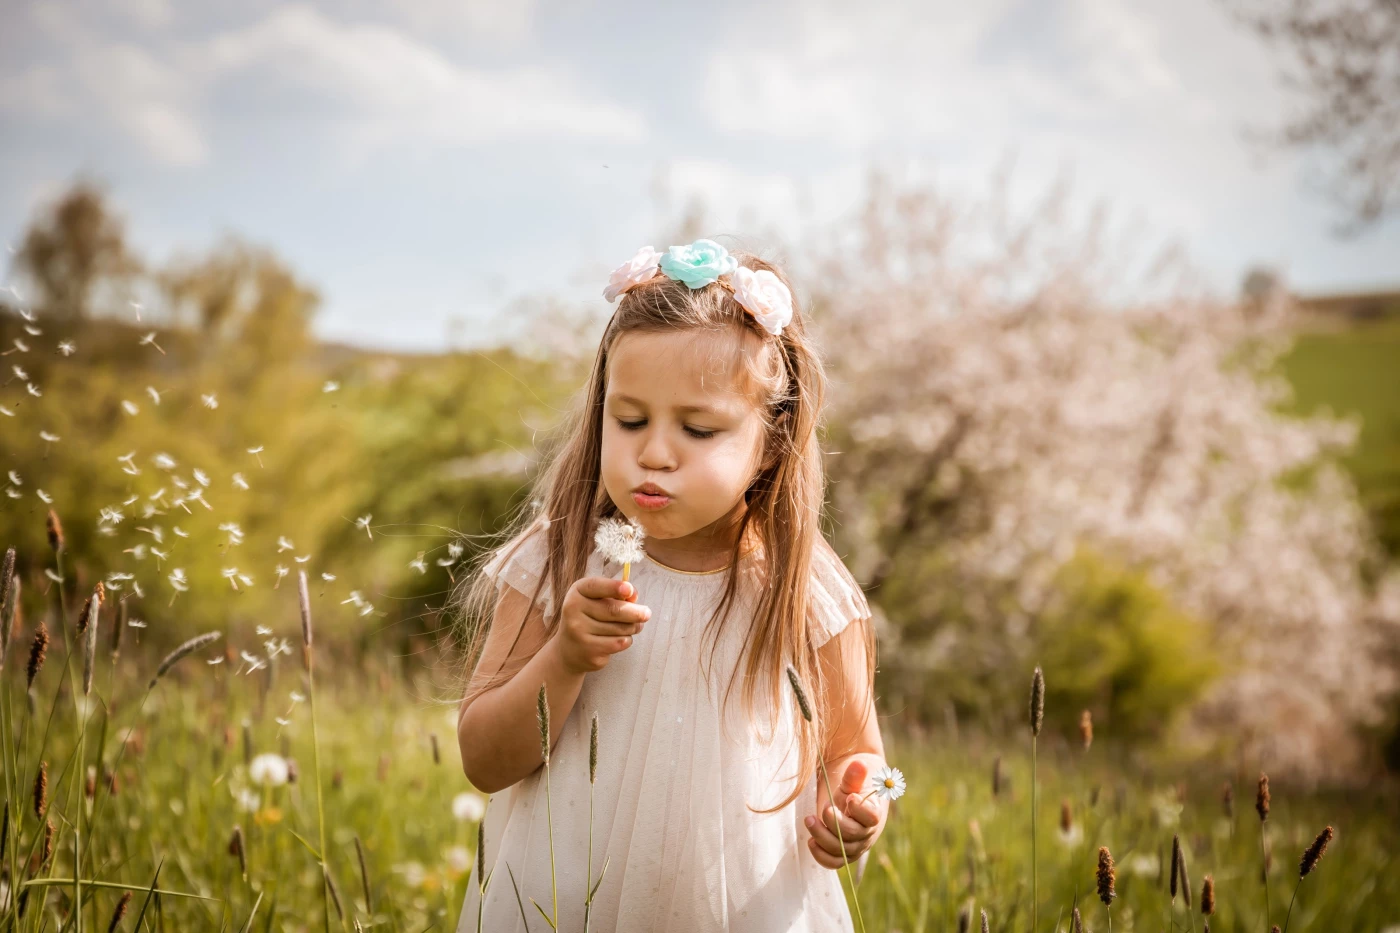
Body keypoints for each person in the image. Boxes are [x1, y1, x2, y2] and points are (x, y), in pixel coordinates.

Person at [453, 239, 889, 932]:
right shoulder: (558, 560)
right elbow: (482, 758)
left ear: (772, 442)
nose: (654, 451)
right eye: (629, 420)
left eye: (697, 427)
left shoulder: (804, 593)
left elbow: (858, 753)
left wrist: (861, 806)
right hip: (565, 898)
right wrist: (564, 654)